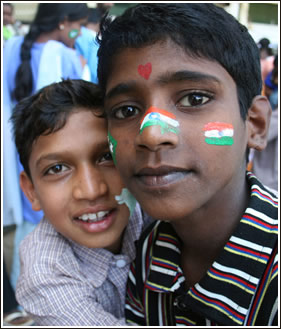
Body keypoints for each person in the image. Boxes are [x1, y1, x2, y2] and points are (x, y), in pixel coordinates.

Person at [96, 3, 278, 326]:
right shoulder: (148, 253)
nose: (151, 134)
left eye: (194, 99)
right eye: (126, 111)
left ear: (255, 123)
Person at [11, 79, 151, 326]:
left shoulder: (154, 210)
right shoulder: (44, 275)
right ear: (31, 191)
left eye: (107, 156)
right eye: (57, 168)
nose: (91, 190)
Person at [3, 3, 89, 291]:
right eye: (77, 26)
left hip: (17, 148)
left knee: (29, 218)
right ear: (64, 22)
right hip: (56, 153)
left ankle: (20, 286)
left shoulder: (12, 47)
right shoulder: (64, 55)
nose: (78, 34)